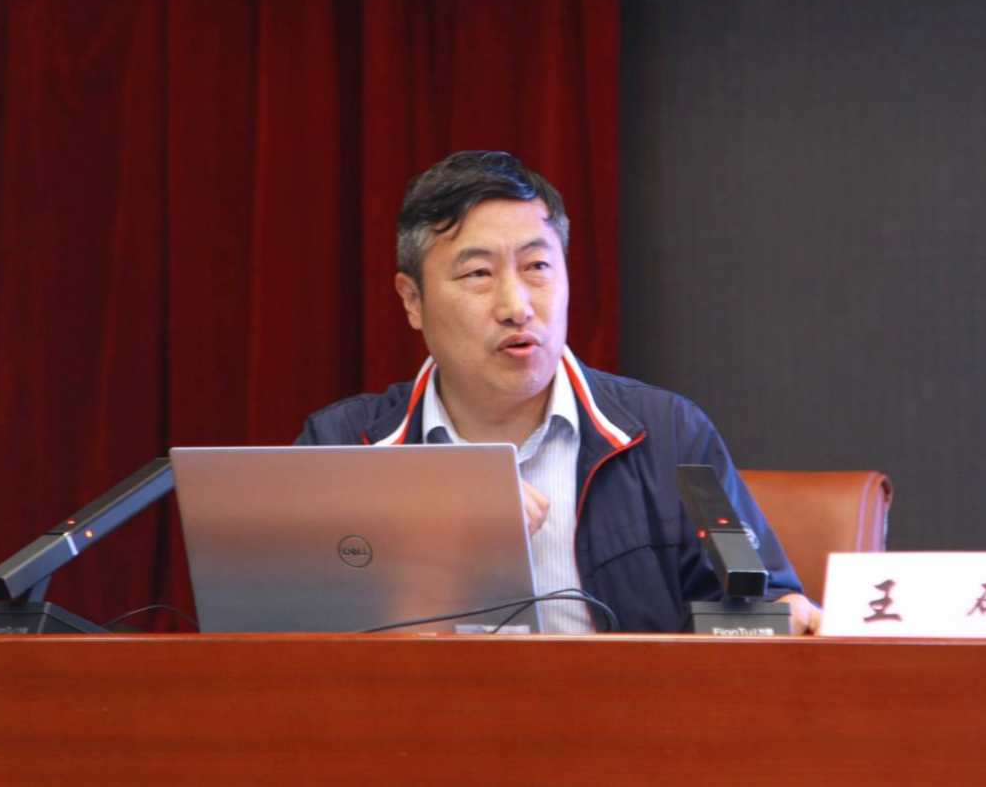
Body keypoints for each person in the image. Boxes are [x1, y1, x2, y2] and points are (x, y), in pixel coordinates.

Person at [296, 150, 820, 634]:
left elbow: (758, 611)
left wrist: (782, 615)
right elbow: (288, 635)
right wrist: (434, 544)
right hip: (416, 708)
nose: (516, 306)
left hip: (619, 704)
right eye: (478, 273)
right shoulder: (341, 447)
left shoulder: (667, 434)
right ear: (413, 300)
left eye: (537, 267)